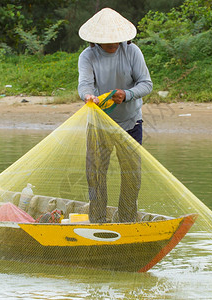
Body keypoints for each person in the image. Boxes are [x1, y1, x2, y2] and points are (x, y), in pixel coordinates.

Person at [78, 7, 153, 223]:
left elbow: (146, 84)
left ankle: (128, 219)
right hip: (99, 124)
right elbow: (84, 84)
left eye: (117, 39)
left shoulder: (132, 52)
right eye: (107, 40)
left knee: (132, 175)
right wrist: (89, 97)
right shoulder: (88, 56)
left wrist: (126, 94)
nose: (113, 43)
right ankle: (98, 219)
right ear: (95, 40)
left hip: (131, 123)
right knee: (95, 175)